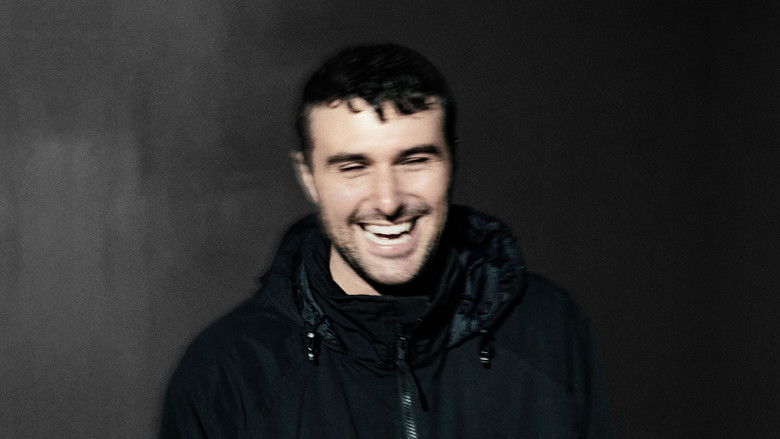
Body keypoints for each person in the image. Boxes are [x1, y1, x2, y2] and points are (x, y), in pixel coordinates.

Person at [160, 43, 615, 438]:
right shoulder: (225, 374)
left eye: (414, 160)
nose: (388, 201)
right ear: (308, 176)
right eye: (353, 167)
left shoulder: (550, 330)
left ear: (452, 161)